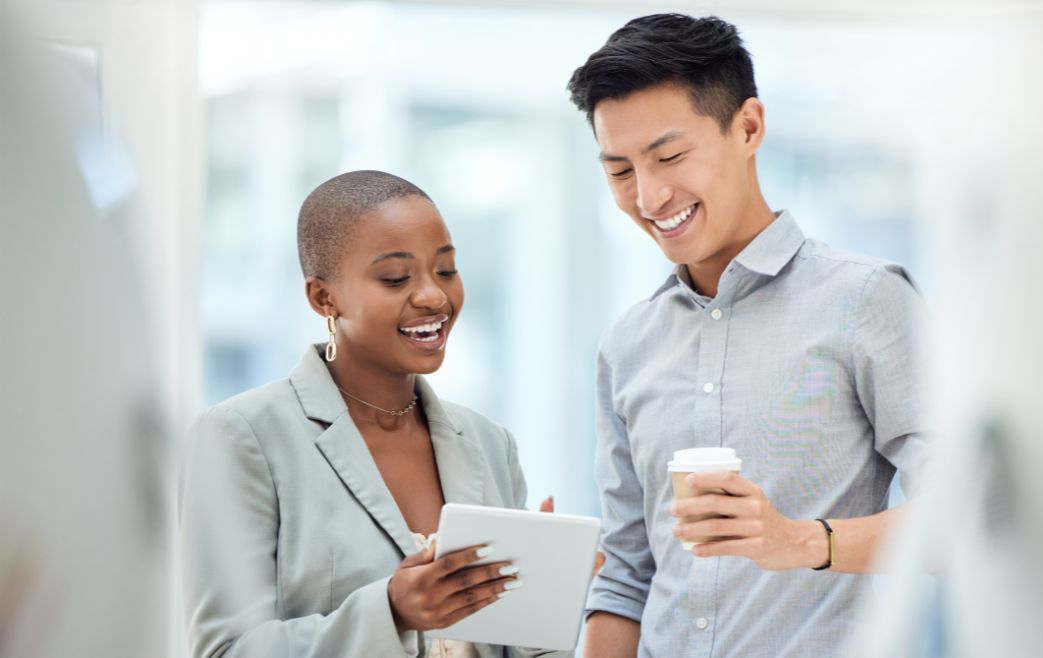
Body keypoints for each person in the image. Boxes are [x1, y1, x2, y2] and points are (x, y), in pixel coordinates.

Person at [566, 14, 929, 657]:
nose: (649, 196)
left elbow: (966, 516)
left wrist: (800, 541)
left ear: (749, 127)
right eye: (620, 171)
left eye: (670, 156)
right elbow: (626, 576)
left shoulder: (865, 300)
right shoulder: (628, 344)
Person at [179, 171, 564, 658]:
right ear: (324, 298)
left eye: (446, 270)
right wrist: (391, 613)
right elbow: (226, 649)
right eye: (395, 278)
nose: (433, 296)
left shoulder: (490, 443)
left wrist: (547, 596)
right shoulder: (241, 437)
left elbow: (513, 644)